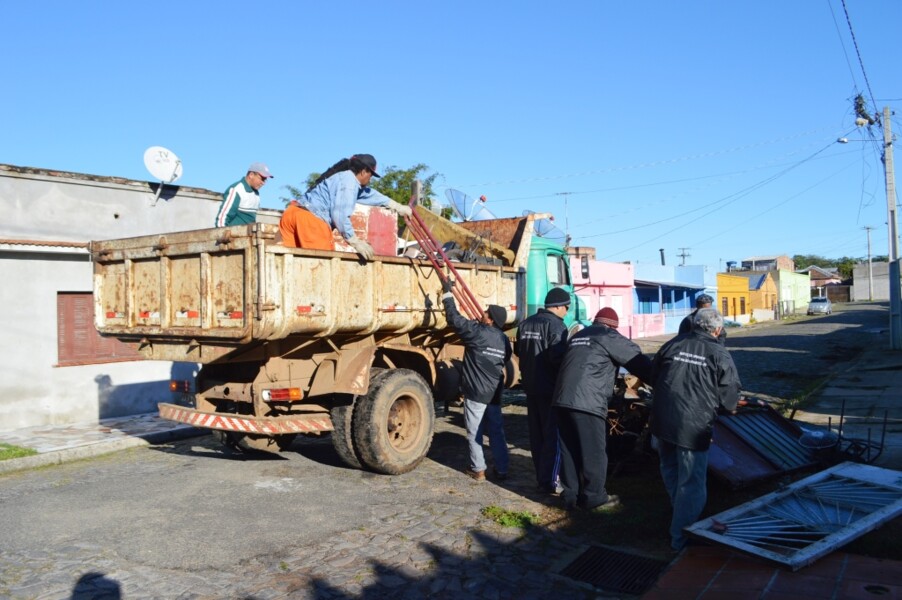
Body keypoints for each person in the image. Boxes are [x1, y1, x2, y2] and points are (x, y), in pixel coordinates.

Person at [651, 307, 742, 551]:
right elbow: (730, 398)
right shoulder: (719, 353)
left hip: (662, 421)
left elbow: (654, 375)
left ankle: (680, 514)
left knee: (670, 470)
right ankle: (682, 538)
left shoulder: (672, 344)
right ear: (718, 329)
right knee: (692, 483)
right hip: (693, 426)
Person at [552, 307, 653, 511]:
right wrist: (661, 380)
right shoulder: (608, 336)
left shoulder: (579, 335)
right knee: (594, 451)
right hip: (587, 401)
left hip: (561, 399)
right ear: (613, 326)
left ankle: (569, 496)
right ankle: (594, 498)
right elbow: (639, 363)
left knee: (569, 449)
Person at [442, 279, 511, 482]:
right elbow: (505, 358)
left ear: (490, 320)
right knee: (497, 432)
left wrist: (447, 293)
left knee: (474, 432)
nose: (483, 313)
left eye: (487, 312)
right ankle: (502, 468)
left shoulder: (477, 333)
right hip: (495, 393)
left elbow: (454, 318)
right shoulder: (503, 339)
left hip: (476, 393)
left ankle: (478, 469)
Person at [279, 154, 412, 259]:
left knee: (293, 264)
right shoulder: (349, 182)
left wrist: (395, 205)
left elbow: (368, 195)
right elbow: (340, 215)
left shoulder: (341, 178)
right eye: (370, 176)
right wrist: (354, 241)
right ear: (364, 171)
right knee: (320, 266)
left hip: (292, 213)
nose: (369, 180)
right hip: (311, 220)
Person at [515, 287, 570, 494]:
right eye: (566, 307)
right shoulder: (556, 326)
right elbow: (557, 358)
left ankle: (541, 476)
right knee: (552, 436)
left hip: (530, 386)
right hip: (550, 388)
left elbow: (519, 351)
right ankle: (550, 481)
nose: (566, 311)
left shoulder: (526, 323)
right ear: (557, 306)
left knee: (536, 435)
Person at [215, 162, 273, 227]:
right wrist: (222, 236)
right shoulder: (237, 190)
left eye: (265, 180)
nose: (263, 183)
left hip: (247, 236)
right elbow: (222, 220)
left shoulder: (256, 194)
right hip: (234, 235)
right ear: (251, 175)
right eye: (262, 178)